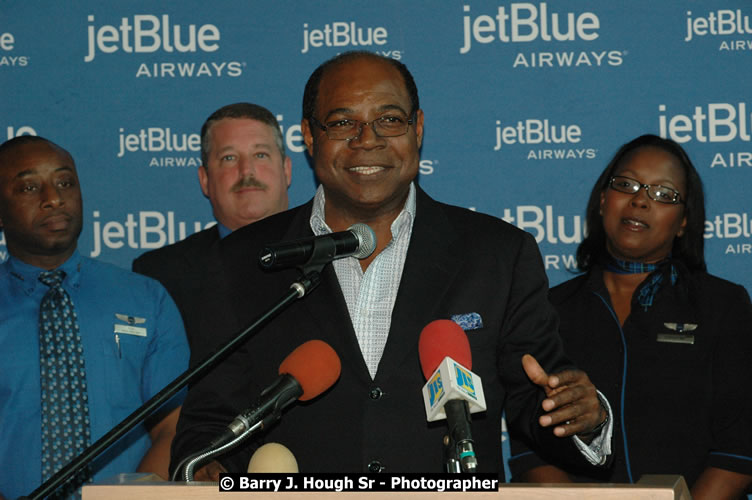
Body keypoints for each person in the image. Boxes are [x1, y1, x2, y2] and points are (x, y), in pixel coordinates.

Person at [170, 51, 610, 479]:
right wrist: (207, 472)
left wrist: (583, 418)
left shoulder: (498, 255)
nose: (368, 139)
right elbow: (209, 422)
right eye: (343, 122)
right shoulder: (243, 262)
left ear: (417, 128)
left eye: (390, 120)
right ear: (308, 135)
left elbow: (542, 405)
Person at [508, 135, 752, 499]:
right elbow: (529, 450)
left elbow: (739, 452)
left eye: (663, 194)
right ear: (603, 200)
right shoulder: (548, 310)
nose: (640, 200)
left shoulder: (723, 305)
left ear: (684, 221)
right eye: (626, 185)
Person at [0, 136, 189, 499]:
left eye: (65, 182)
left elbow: (173, 425)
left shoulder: (146, 298)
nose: (53, 198)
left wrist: (134, 497)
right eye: (29, 187)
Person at [132, 103, 292, 348]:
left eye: (260, 155)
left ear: (286, 170)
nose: (246, 170)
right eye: (229, 158)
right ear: (205, 180)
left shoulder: (334, 257)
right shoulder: (160, 276)